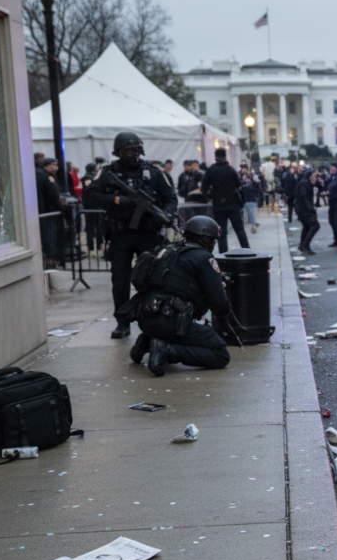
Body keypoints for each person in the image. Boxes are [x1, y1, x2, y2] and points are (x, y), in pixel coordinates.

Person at [83, 132, 178, 339]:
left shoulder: (153, 172)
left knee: (152, 278)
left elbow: (170, 197)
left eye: (134, 150)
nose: (131, 155)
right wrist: (118, 201)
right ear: (118, 152)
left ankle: (152, 319)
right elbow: (89, 196)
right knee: (120, 280)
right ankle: (123, 321)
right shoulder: (108, 172)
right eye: (126, 151)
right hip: (121, 234)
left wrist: (168, 213)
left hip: (148, 233)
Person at [123, 216, 233, 377]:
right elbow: (219, 302)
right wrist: (225, 326)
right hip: (172, 323)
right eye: (213, 240)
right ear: (207, 239)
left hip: (146, 318)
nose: (214, 245)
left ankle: (146, 342)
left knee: (174, 328)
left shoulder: (166, 250)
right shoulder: (202, 258)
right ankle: (167, 351)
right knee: (221, 355)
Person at [200, 148, 249, 253]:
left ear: (215, 157)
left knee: (221, 232)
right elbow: (238, 185)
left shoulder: (211, 170)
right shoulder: (230, 169)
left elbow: (204, 187)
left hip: (218, 205)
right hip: (232, 204)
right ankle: (247, 251)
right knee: (239, 229)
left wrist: (209, 196)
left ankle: (223, 255)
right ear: (225, 156)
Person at [36, 157, 65, 269]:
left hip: (43, 211)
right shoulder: (45, 177)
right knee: (49, 237)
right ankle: (51, 260)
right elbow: (53, 195)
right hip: (48, 212)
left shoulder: (39, 175)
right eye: (53, 165)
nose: (56, 168)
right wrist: (61, 206)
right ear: (46, 166)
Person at [81, 163, 104, 259]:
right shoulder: (90, 178)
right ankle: (95, 248)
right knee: (95, 227)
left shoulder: (86, 177)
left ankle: (93, 247)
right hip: (94, 205)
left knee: (91, 227)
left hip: (89, 206)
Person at [295, 171, 321, 255]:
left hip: (304, 208)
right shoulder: (304, 184)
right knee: (315, 225)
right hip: (304, 209)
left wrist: (316, 181)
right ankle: (305, 245)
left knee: (306, 226)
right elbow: (305, 197)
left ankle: (302, 245)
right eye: (314, 175)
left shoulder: (310, 183)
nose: (315, 176)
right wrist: (311, 209)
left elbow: (321, 187)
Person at [241, 170, 261, 234]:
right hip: (250, 200)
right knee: (251, 214)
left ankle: (252, 225)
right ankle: (253, 225)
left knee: (246, 214)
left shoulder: (244, 184)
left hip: (246, 200)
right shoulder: (253, 185)